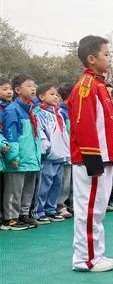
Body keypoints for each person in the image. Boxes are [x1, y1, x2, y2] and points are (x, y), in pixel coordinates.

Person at [68, 35, 113, 272]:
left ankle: (95, 254)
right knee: (89, 209)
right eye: (106, 54)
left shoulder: (99, 85)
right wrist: (93, 159)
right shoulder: (86, 87)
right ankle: (84, 259)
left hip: (103, 157)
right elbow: (84, 125)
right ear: (92, 58)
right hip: (93, 159)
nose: (110, 58)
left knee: (97, 209)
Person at [1, 74, 41, 231]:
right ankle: (10, 218)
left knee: (28, 190)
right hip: (19, 158)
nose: (33, 88)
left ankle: (23, 215)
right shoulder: (12, 110)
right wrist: (12, 156)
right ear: (18, 90)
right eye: (29, 85)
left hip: (31, 158)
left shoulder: (31, 109)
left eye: (34, 85)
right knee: (14, 190)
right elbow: (11, 136)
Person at [34, 83, 70, 224]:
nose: (55, 96)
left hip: (60, 154)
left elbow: (64, 133)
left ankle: (51, 209)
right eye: (52, 94)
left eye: (56, 94)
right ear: (42, 97)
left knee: (57, 183)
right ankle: (39, 210)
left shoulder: (58, 112)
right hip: (48, 156)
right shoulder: (39, 112)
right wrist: (46, 148)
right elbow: (40, 131)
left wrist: (67, 152)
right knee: (44, 183)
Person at [56, 83, 74, 218]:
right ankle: (61, 206)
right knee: (65, 182)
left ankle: (73, 204)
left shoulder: (76, 111)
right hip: (67, 153)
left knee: (75, 182)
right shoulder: (61, 113)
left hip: (77, 153)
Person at [0, 78, 12, 226]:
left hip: (6, 152)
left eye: (10, 88)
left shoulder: (10, 108)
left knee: (4, 185)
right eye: (4, 88)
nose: (9, 91)